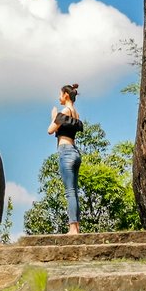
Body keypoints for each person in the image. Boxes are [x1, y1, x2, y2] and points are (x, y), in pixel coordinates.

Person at [48, 83, 83, 235]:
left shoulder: (65, 111)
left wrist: (54, 116)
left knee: (69, 192)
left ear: (66, 95)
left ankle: (73, 228)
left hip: (66, 151)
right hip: (75, 152)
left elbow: (50, 130)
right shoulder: (76, 113)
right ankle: (77, 226)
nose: (59, 97)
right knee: (74, 191)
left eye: (60, 94)